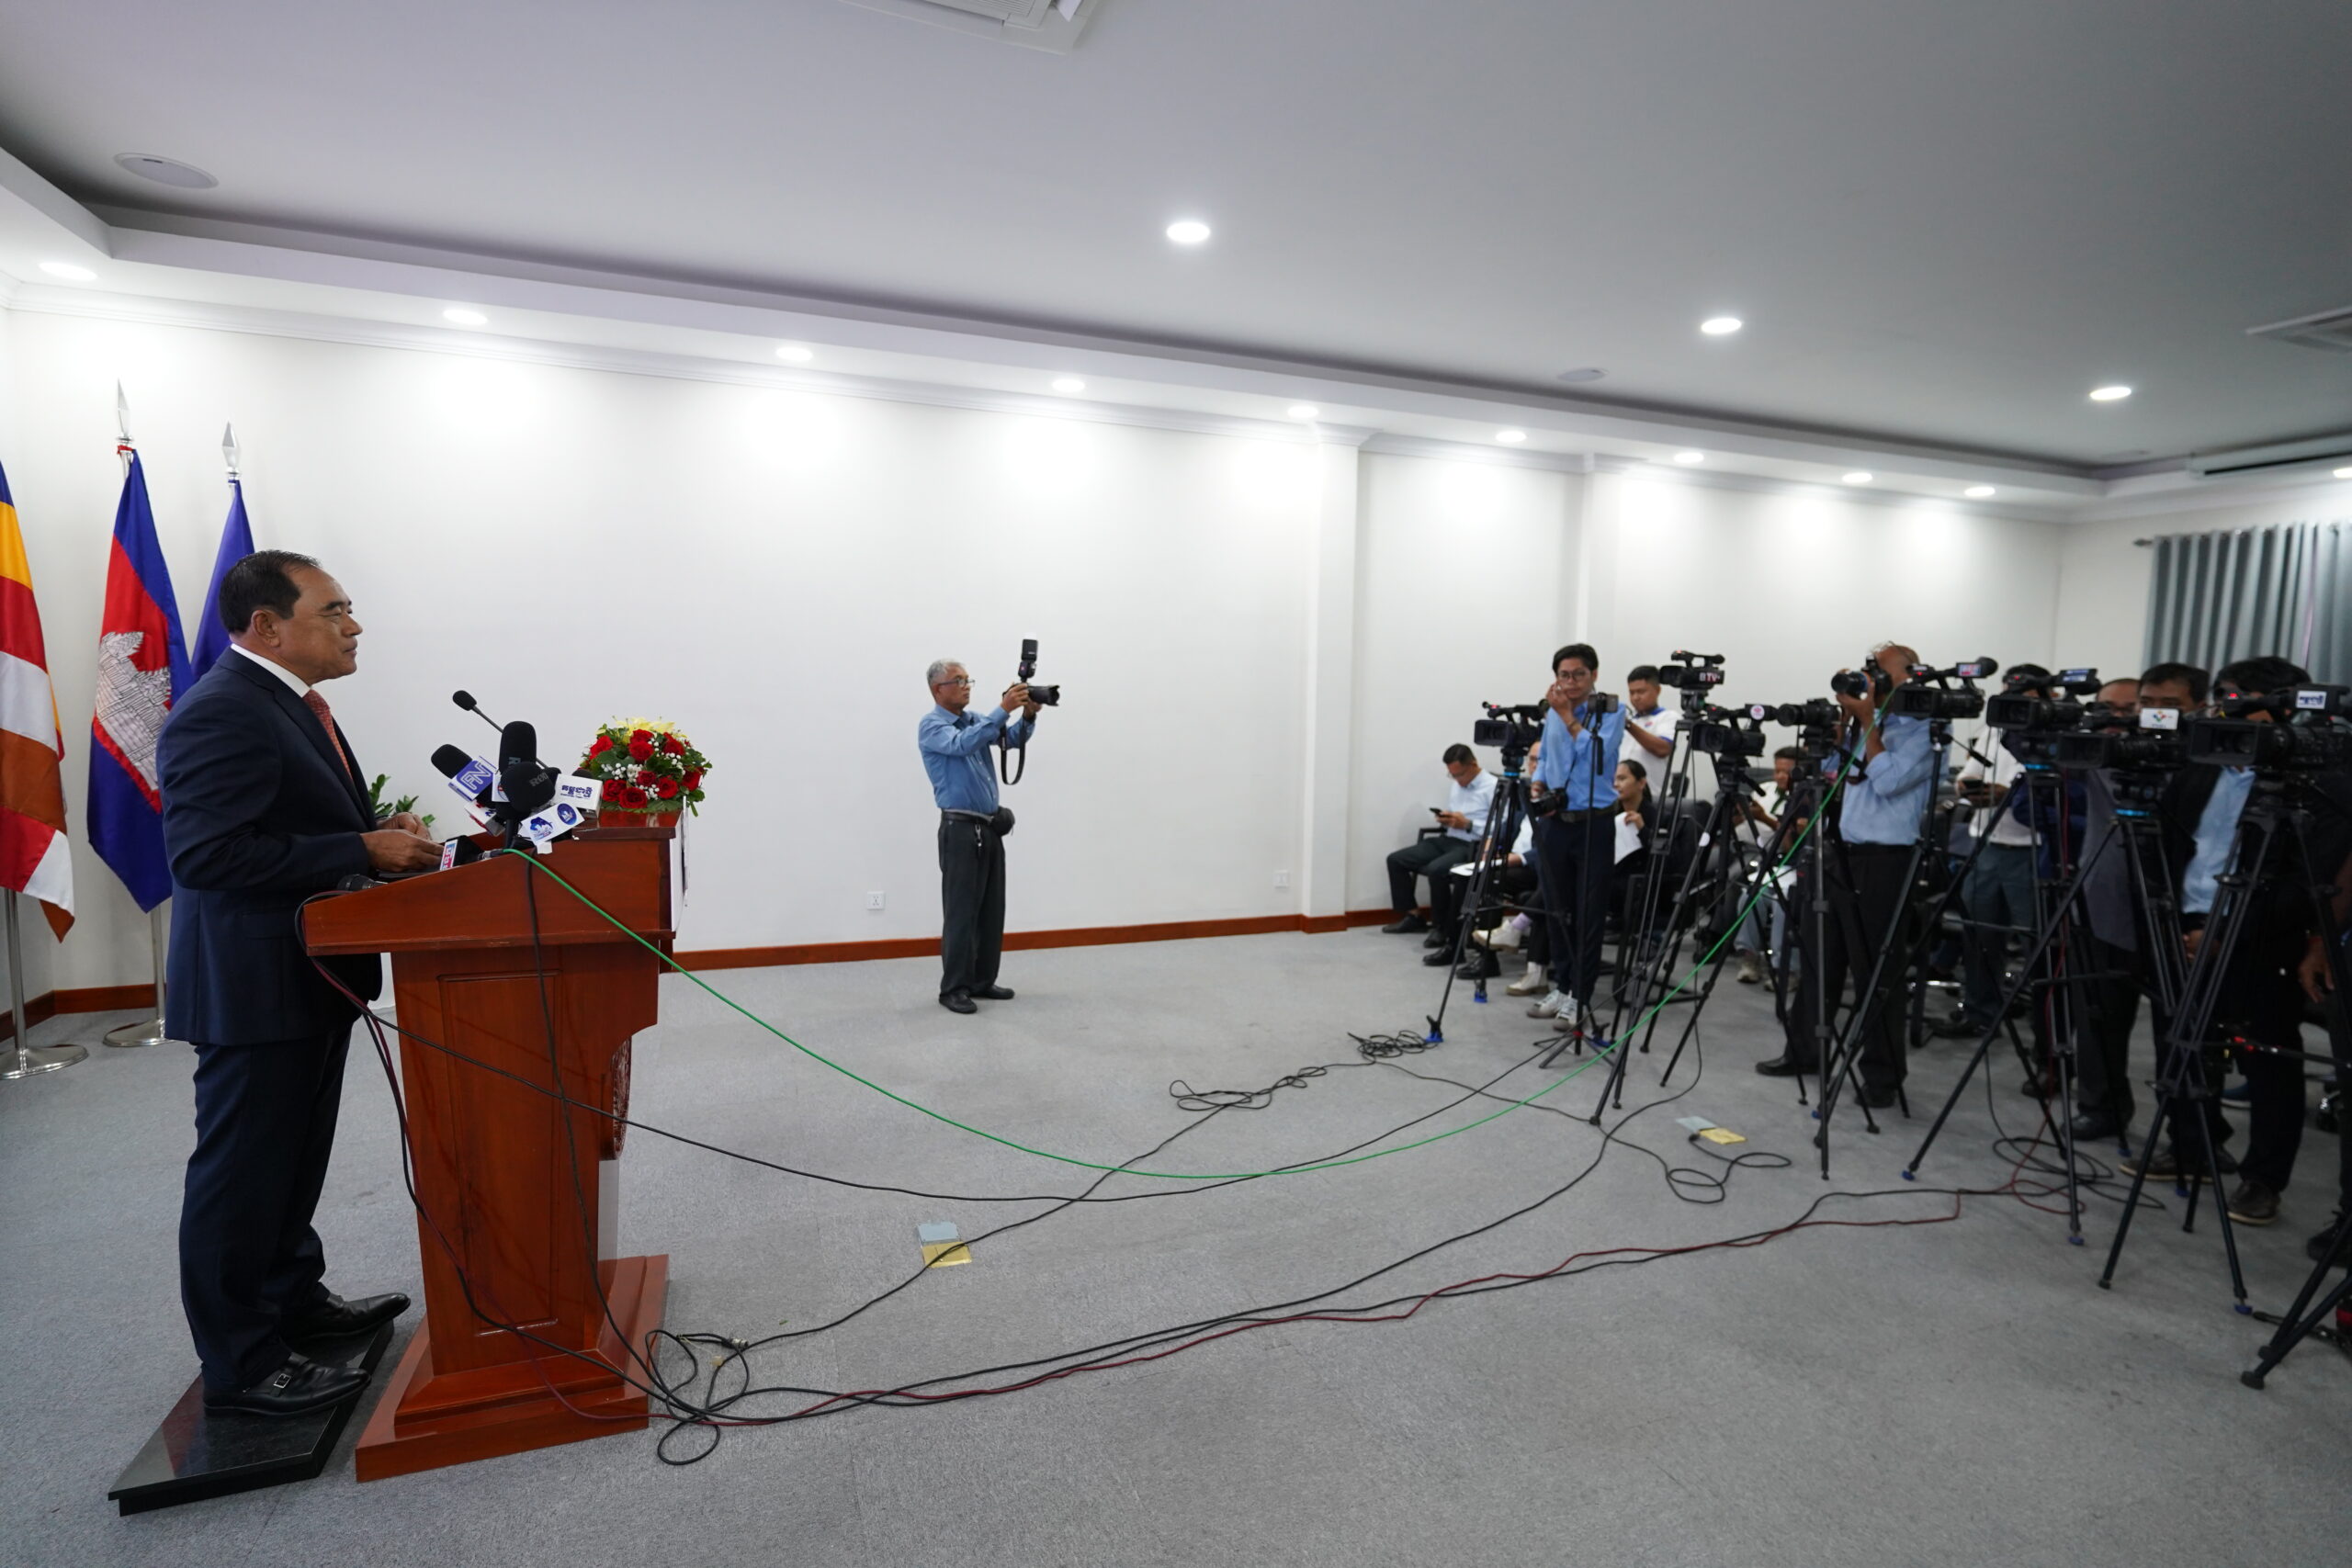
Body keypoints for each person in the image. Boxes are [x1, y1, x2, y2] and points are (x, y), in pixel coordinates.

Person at [159, 549, 438, 1417]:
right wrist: (357, 847)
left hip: (309, 973)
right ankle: (241, 1361)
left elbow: (281, 823)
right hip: (253, 985)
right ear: (268, 625)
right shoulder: (223, 710)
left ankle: (292, 1302)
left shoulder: (289, 701)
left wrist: (372, 832)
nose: (354, 626)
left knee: (291, 1158)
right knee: (242, 1173)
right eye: (334, 610)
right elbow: (206, 856)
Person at [1758, 642, 1930, 1108]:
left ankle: (1881, 1076)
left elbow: (1889, 781)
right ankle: (1804, 1052)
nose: (1872, 679)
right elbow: (1832, 772)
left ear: (1909, 676)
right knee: (1820, 957)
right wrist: (1845, 724)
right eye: (1869, 670)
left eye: (1881, 672)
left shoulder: (1923, 727)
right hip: (1840, 850)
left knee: (1875, 969)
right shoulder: (1863, 723)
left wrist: (1868, 718)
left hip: (1886, 859)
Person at [917, 659, 1037, 1015]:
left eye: (968, 680)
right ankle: (954, 988)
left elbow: (1010, 739)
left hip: (989, 828)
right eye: (959, 681)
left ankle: (982, 980)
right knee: (961, 913)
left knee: (990, 909)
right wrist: (1003, 709)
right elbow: (962, 745)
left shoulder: (974, 720)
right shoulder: (932, 726)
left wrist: (1028, 715)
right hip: (960, 830)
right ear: (938, 689)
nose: (967, 686)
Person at [1942, 664, 2049, 1042]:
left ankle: (2046, 1034)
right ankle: (1980, 1014)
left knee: (2038, 944)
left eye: (2025, 696)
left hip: (2030, 851)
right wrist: (1971, 788)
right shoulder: (1993, 731)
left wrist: (2005, 794)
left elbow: (2045, 792)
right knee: (1979, 937)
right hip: (1986, 845)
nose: (2015, 702)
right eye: (2009, 694)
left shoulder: (2051, 737)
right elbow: (1966, 776)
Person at [1527, 643, 1628, 1030]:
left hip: (1593, 824)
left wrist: (1569, 716)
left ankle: (1580, 997)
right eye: (1563, 675)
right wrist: (1539, 783)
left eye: (1578, 675)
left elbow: (1598, 758)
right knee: (1556, 909)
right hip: (1556, 822)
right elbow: (1546, 757)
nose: (1570, 682)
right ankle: (1562, 985)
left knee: (1588, 914)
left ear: (1594, 675)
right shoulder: (1552, 712)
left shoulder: (1613, 712)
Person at [2069, 674, 2146, 1140]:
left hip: (2168, 910)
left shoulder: (2189, 761)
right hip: (2100, 903)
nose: (2115, 719)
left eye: (2127, 709)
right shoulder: (2092, 752)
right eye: (2106, 709)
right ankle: (2101, 1107)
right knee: (2098, 1018)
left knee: (2173, 1029)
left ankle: (2191, 1135)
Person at [1384, 743, 1497, 952]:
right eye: (1452, 775)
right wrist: (1447, 818)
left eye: (1459, 775)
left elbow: (1501, 827)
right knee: (1396, 860)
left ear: (1473, 765)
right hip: (1449, 838)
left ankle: (1442, 927)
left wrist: (1469, 825)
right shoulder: (1457, 784)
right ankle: (1413, 916)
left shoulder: (1493, 787)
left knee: (1437, 870)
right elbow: (1456, 813)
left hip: (1473, 844)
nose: (1457, 780)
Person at [1623, 666, 1676, 767]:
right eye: (1631, 692)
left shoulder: (1668, 717)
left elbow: (1663, 749)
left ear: (1657, 690)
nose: (1635, 697)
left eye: (1641, 692)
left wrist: (1628, 725)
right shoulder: (1628, 719)